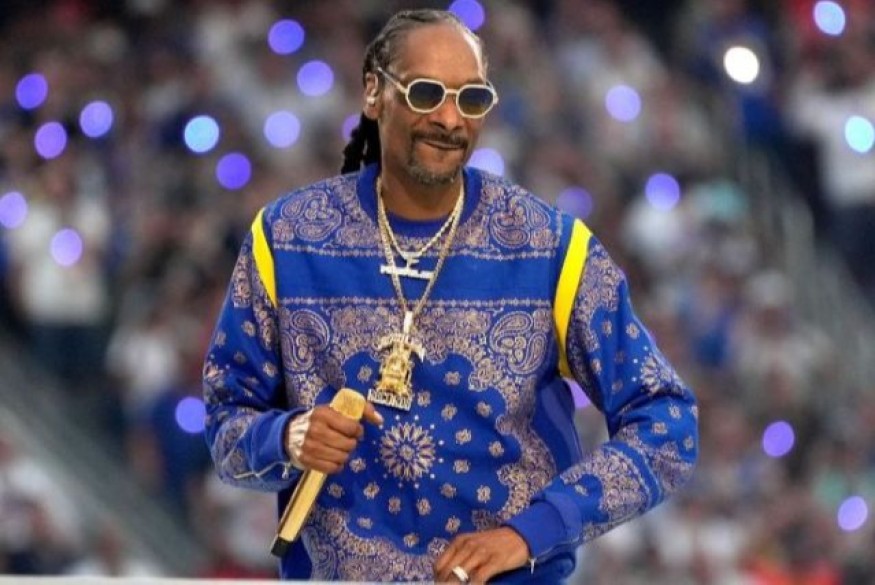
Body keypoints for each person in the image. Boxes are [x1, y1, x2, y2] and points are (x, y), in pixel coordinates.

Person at [203, 9, 698, 583]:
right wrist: (286, 438)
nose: (449, 118)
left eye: (472, 99)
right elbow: (225, 423)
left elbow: (668, 424)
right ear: (374, 93)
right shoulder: (286, 239)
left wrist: (532, 532)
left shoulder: (550, 249)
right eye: (426, 93)